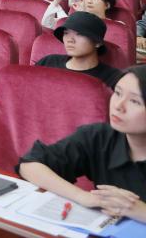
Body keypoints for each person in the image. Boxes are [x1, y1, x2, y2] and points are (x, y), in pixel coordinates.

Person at [19, 65, 146, 218]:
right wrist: (82, 196)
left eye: (135, 101)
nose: (118, 106)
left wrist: (141, 212)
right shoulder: (99, 137)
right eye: (118, 93)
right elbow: (29, 165)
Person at [35, 12, 122, 89]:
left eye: (80, 34)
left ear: (97, 42)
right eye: (66, 33)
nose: (70, 40)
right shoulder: (48, 62)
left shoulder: (113, 78)